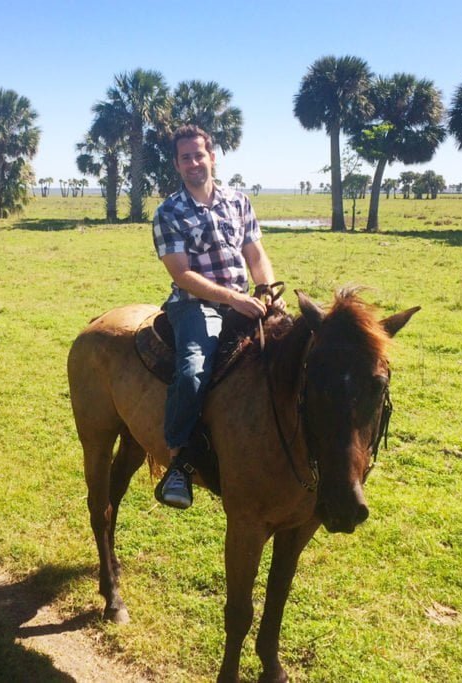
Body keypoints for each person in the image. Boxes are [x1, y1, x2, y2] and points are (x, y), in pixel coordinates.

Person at [152, 125, 284, 509]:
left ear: (212, 156)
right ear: (177, 165)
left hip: (245, 298)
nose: (194, 163)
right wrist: (233, 299)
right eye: (185, 157)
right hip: (195, 304)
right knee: (193, 370)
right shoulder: (169, 212)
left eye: (199, 154)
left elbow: (256, 256)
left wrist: (268, 291)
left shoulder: (237, 201)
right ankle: (179, 461)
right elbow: (182, 274)